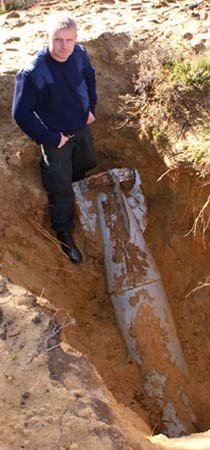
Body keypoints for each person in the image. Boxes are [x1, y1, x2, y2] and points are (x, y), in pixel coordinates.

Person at [12, 12, 97, 264]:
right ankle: (63, 231)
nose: (63, 46)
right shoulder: (32, 72)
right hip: (56, 138)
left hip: (81, 128)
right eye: (58, 39)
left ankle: (76, 185)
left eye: (69, 40)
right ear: (47, 38)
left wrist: (92, 108)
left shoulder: (79, 54)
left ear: (76, 38)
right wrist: (50, 137)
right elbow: (20, 114)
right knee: (60, 190)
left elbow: (90, 77)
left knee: (85, 162)